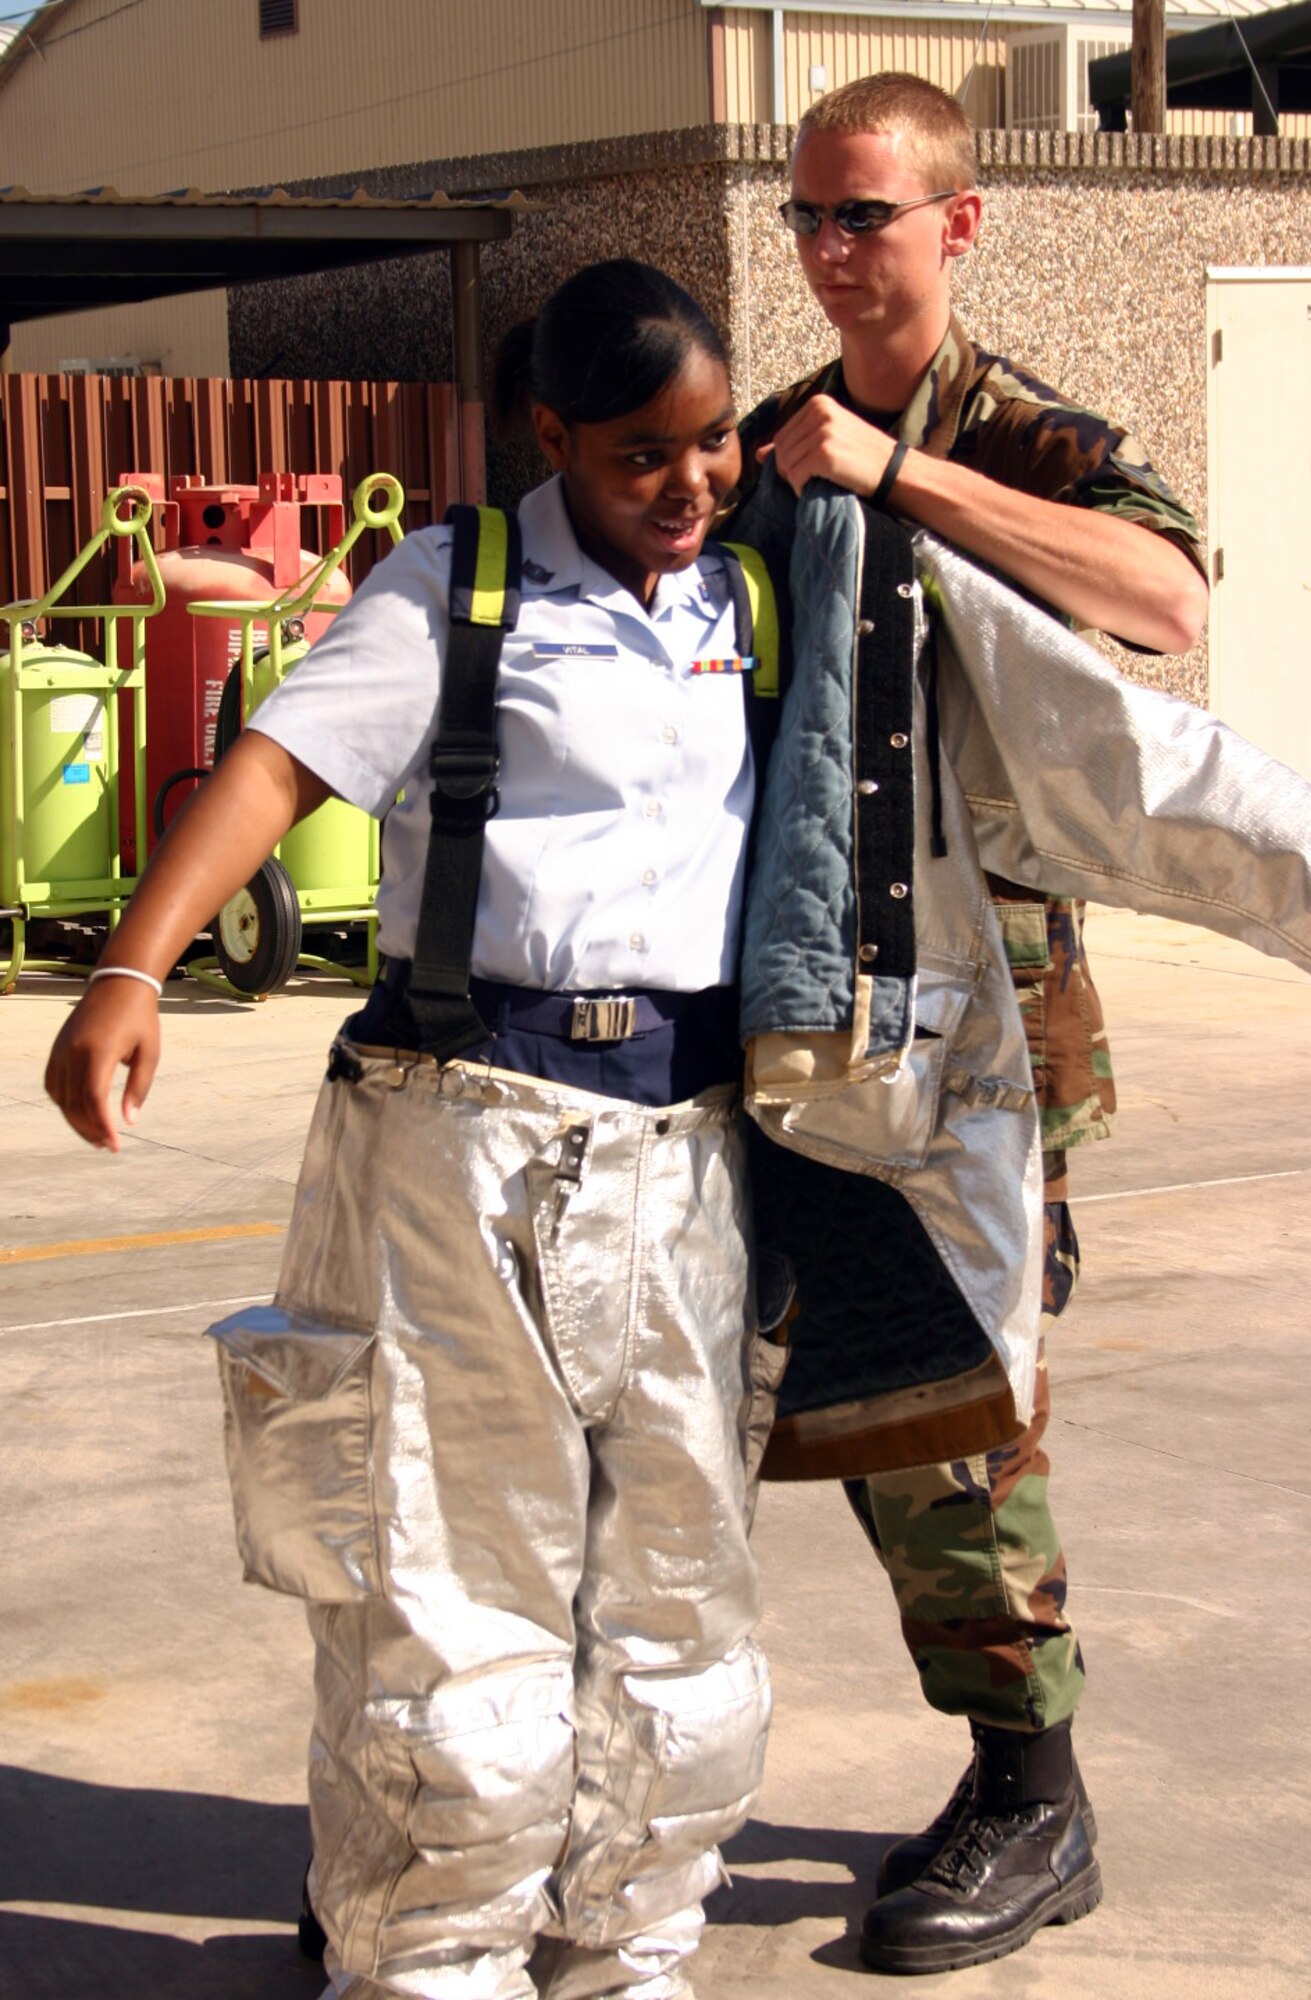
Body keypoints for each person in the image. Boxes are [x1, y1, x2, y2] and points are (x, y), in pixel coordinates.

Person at [45, 259, 781, 2000]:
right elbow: (278, 769)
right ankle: (431, 1957)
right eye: (639, 457)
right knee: (449, 1592)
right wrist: (131, 968)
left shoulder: (744, 598)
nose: (685, 489)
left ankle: (624, 1947)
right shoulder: (463, 590)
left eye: (714, 448)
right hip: (464, 1141)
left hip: (688, 1151)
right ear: (552, 436)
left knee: (676, 1591)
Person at [727, 72, 1209, 1973]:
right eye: (808, 220)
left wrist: (900, 476)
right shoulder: (769, 442)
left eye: (866, 215)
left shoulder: (1026, 436)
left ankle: (1032, 1794)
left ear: (959, 222)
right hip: (796, 1001)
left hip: (988, 1035)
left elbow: (1165, 601)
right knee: (808, 1402)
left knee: (955, 1427)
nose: (834, 252)